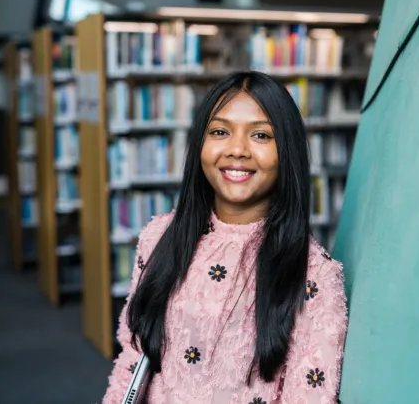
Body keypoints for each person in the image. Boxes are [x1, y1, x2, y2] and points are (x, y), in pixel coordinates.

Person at [102, 71, 348, 404]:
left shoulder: (315, 274)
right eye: (220, 131)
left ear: (287, 150)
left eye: (260, 135)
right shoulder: (158, 237)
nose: (236, 149)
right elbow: (133, 359)